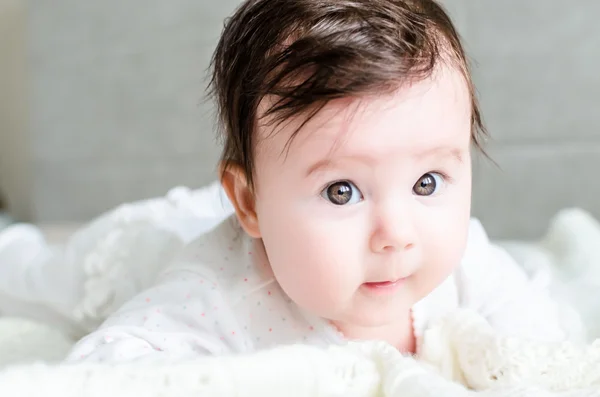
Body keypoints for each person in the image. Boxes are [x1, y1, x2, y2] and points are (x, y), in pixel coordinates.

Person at [66, 0, 567, 362]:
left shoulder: (464, 261)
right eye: (341, 191)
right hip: (140, 242)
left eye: (427, 183)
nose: (396, 233)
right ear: (249, 203)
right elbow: (100, 369)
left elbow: (539, 343)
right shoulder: (214, 300)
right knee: (41, 270)